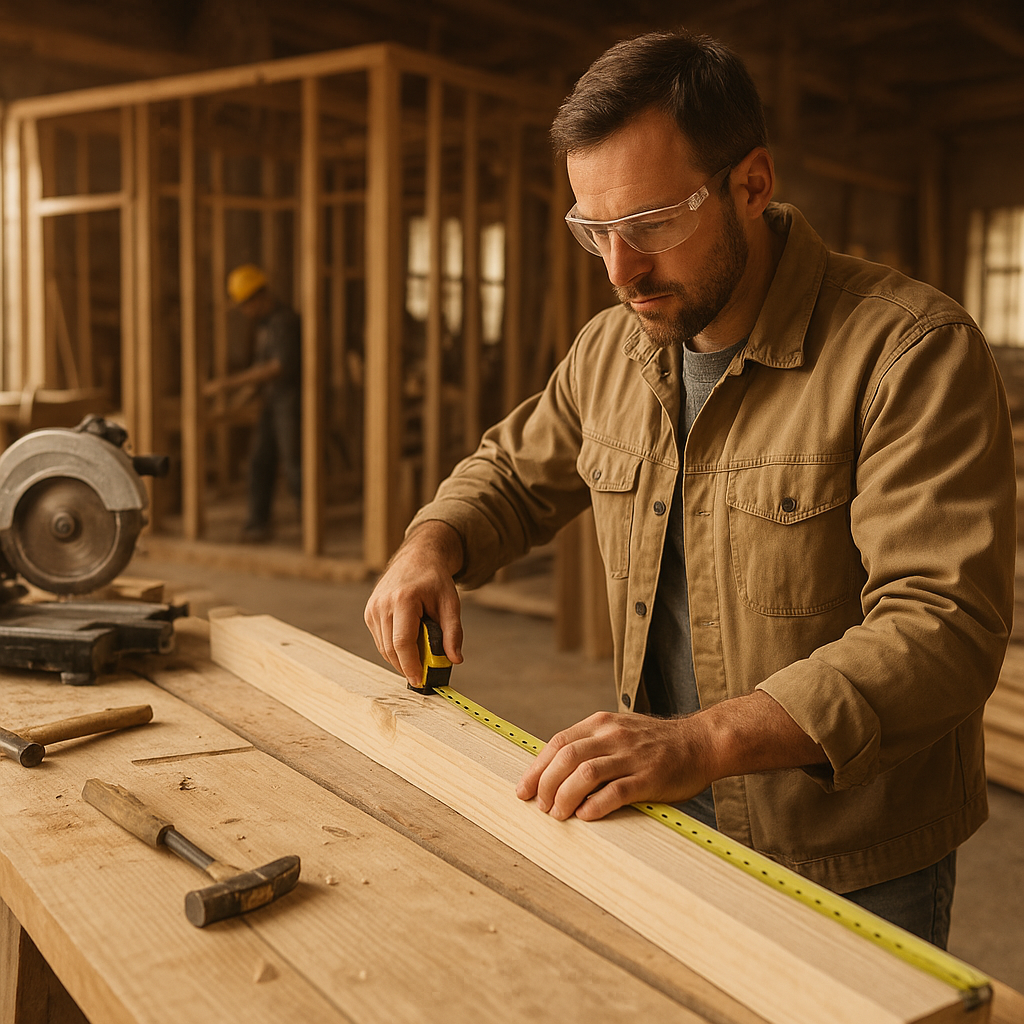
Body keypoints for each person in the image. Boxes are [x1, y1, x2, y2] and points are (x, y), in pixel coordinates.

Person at [363, 29, 1016, 948]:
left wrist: (702, 743)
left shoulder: (908, 353)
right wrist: (430, 543)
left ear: (752, 184)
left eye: (651, 224)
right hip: (660, 808)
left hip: (847, 851)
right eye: (595, 231)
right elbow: (509, 473)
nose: (620, 270)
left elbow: (942, 628)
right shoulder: (612, 350)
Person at [216, 264, 302, 543]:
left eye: (244, 305)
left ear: (259, 297)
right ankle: (257, 525)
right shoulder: (265, 325)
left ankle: (311, 527)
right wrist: (235, 400)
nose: (244, 311)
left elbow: (278, 366)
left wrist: (229, 384)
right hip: (272, 401)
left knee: (294, 463)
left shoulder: (284, 322)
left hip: (290, 400)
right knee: (259, 461)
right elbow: (261, 370)